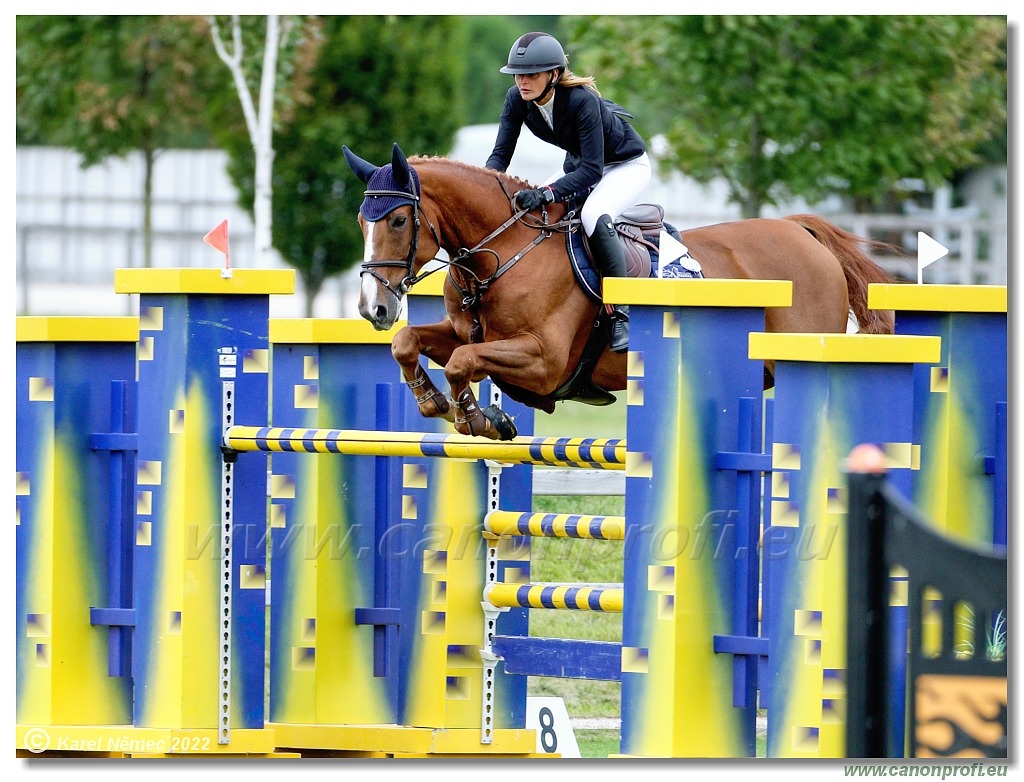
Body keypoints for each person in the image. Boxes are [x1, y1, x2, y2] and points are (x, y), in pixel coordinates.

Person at [485, 31, 651, 354]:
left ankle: (621, 313)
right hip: (581, 164)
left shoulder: (581, 101)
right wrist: (483, 187)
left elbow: (592, 172)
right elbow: (499, 157)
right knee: (534, 211)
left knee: (593, 215)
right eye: (518, 74)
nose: (523, 82)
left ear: (554, 74)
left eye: (532, 74)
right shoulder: (516, 100)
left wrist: (546, 193)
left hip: (625, 165)